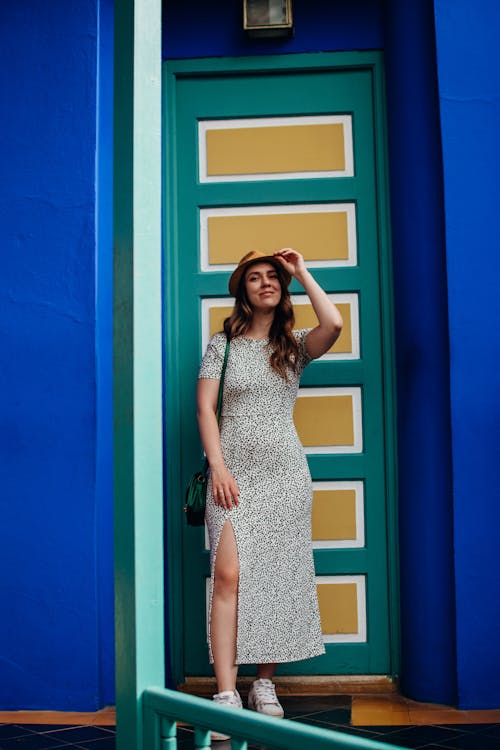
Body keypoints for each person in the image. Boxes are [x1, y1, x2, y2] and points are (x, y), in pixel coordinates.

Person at [197, 248, 343, 738]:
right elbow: (204, 409)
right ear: (242, 291)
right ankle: (225, 693)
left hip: (284, 474)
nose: (265, 283)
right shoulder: (224, 344)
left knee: (275, 577)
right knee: (228, 574)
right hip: (232, 475)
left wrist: (302, 271)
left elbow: (335, 324)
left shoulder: (294, 344)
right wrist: (217, 465)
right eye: (255, 278)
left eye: (273, 277)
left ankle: (264, 683)